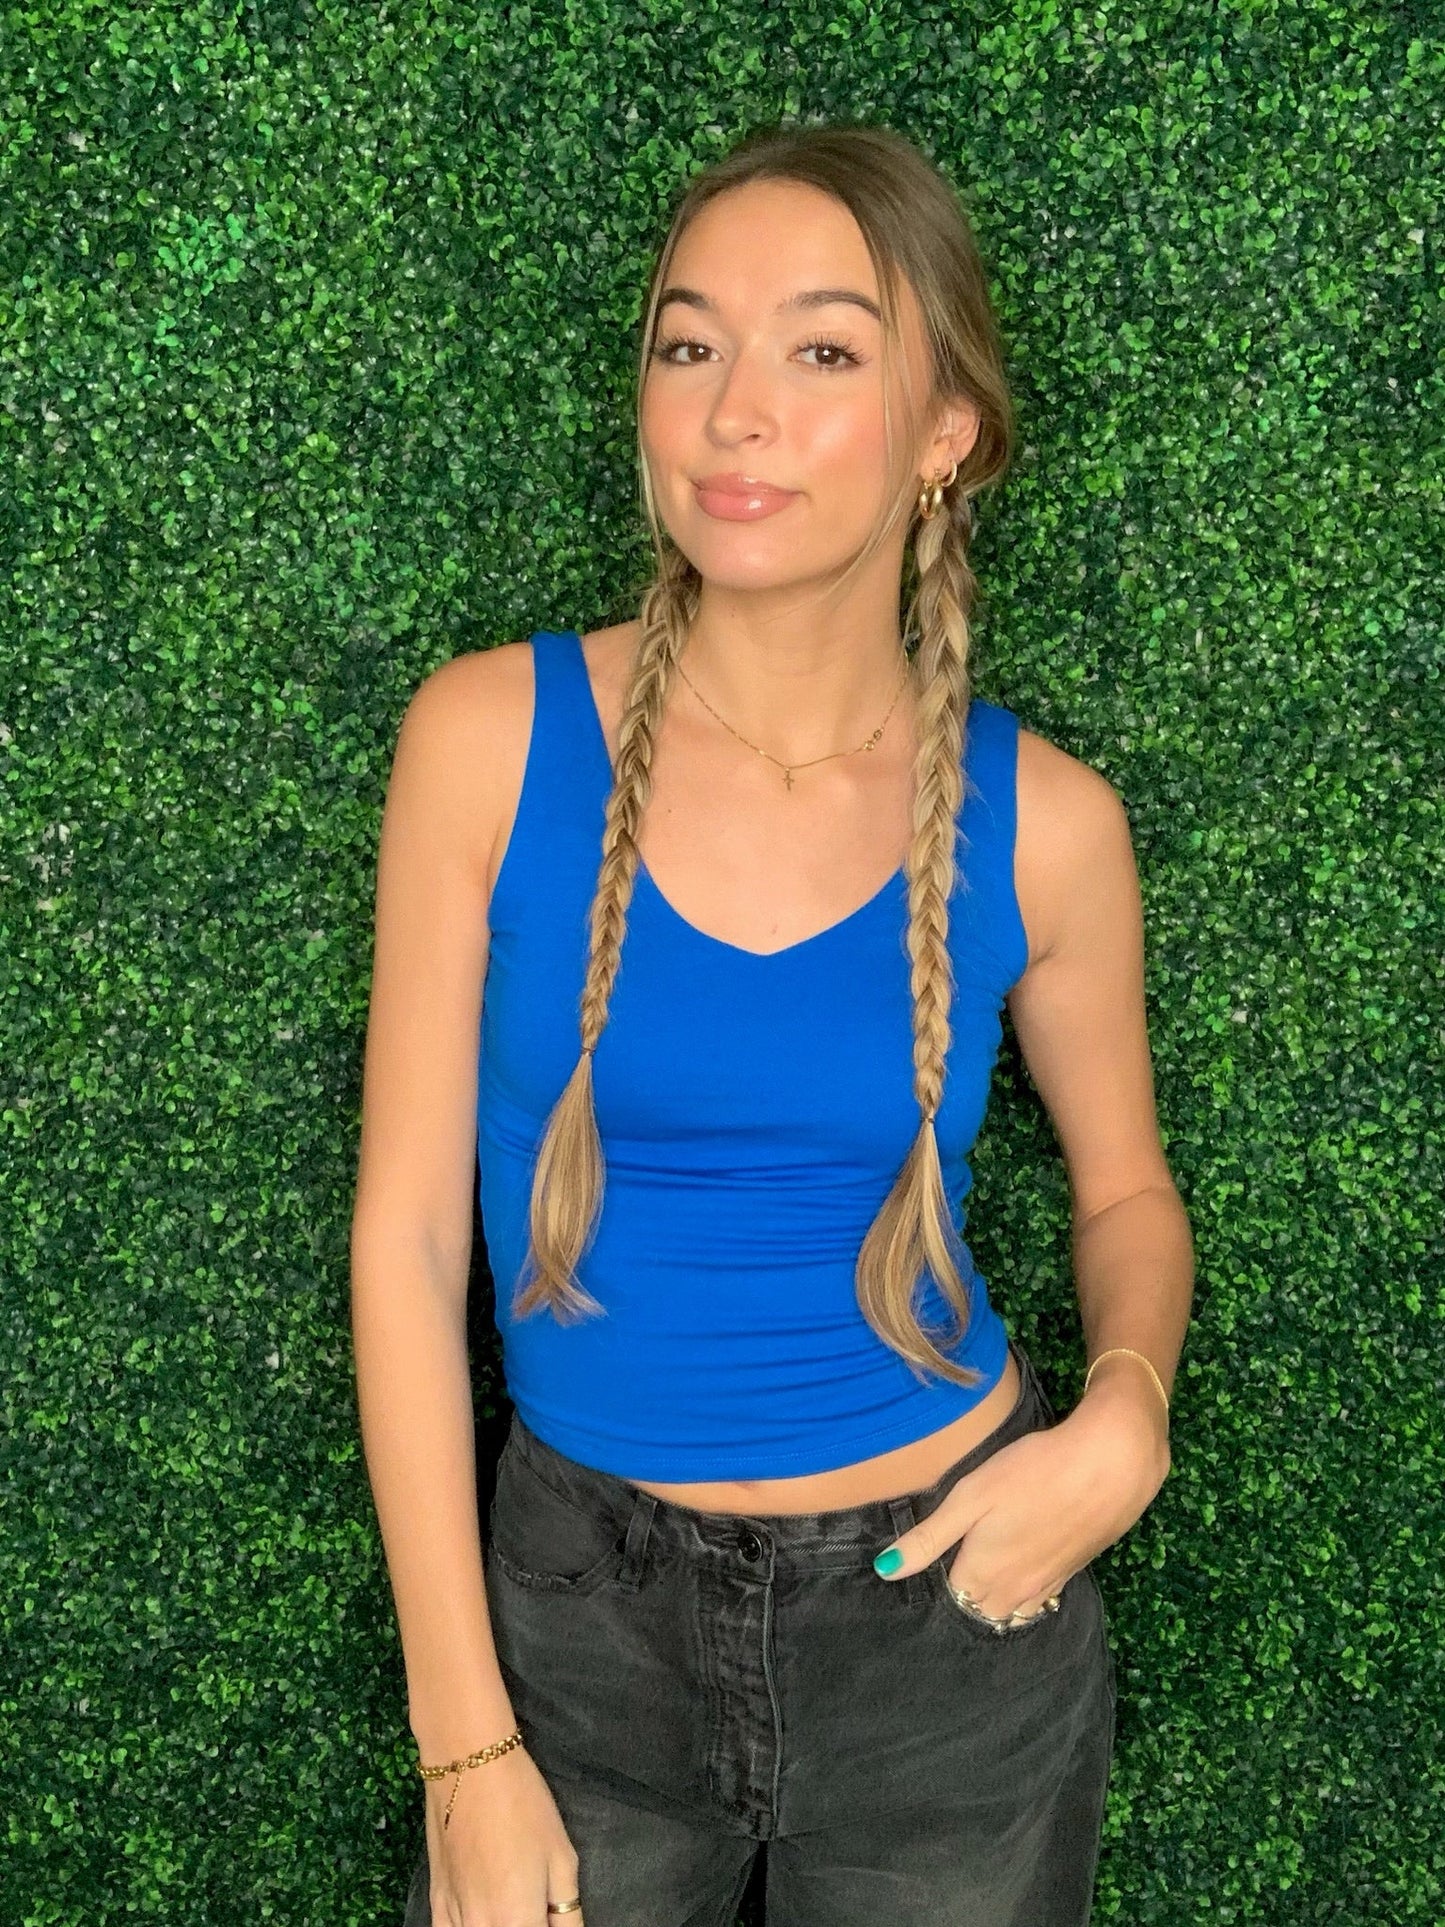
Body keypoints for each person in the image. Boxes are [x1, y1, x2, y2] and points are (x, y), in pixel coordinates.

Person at [351, 120, 1194, 1927]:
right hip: (572, 1626)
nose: (735, 411)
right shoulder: (486, 740)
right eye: (689, 344)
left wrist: (1126, 1410)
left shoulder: (1046, 824)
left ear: (943, 433)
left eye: (822, 351)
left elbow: (1126, 1194)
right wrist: (465, 1752)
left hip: (950, 1621)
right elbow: (407, 1244)